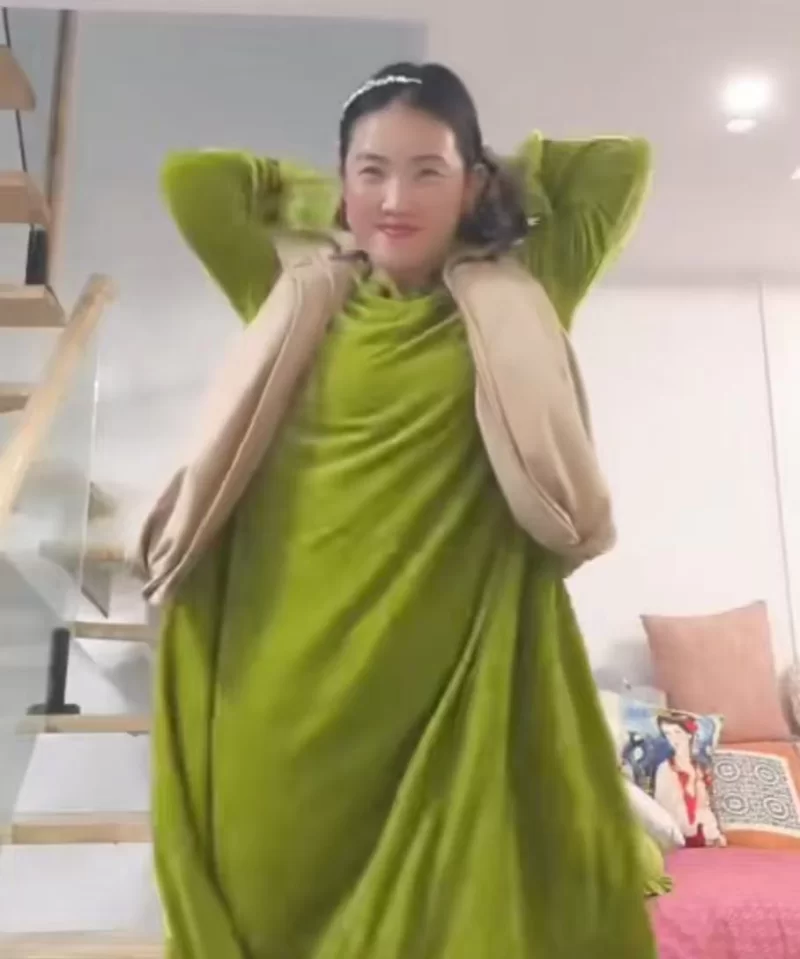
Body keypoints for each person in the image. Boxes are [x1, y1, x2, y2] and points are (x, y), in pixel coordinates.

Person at [145, 61, 657, 958]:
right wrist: (342, 201)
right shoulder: (296, 302)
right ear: (342, 179)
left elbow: (618, 166)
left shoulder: (523, 294)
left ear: (473, 183)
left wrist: (486, 194)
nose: (395, 198)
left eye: (428, 171)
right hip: (282, 697)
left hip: (451, 704)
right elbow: (196, 182)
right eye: (372, 170)